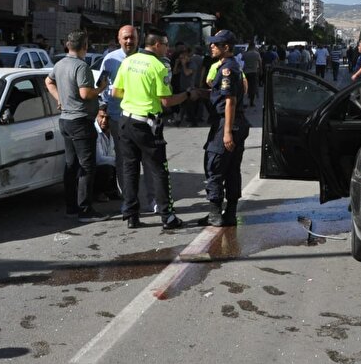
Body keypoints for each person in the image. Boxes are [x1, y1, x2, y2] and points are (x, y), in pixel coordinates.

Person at [111, 30, 203, 230]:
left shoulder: (128, 61)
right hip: (146, 124)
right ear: (157, 45)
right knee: (159, 170)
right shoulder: (158, 67)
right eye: (166, 45)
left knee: (130, 169)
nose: (169, 49)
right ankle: (167, 216)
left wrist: (135, 95)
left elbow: (116, 92)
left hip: (126, 120)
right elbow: (166, 101)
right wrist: (187, 94)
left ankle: (131, 215)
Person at [44, 31, 109, 222]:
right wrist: (101, 88)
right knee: (87, 166)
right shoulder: (82, 66)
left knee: (71, 165)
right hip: (80, 121)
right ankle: (85, 210)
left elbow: (48, 81)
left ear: (67, 45)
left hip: (65, 120)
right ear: (85, 46)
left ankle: (71, 207)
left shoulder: (60, 64)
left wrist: (61, 100)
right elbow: (85, 93)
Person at [199, 30, 249, 227]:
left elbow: (230, 101)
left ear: (226, 47)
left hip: (227, 123)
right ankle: (229, 213)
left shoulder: (227, 69)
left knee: (215, 167)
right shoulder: (229, 66)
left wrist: (227, 131)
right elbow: (222, 94)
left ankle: (215, 214)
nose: (211, 46)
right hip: (236, 122)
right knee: (232, 169)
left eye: (215, 44)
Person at [97, 25, 138, 201]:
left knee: (142, 158)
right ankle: (128, 197)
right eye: (125, 38)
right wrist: (102, 108)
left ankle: (150, 199)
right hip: (117, 116)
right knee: (123, 158)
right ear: (119, 39)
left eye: (132, 38)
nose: (129, 41)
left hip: (140, 116)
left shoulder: (144, 58)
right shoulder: (110, 59)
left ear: (138, 38)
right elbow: (102, 86)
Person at [242, 42, 262, 107]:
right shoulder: (256, 54)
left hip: (246, 72)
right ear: (254, 46)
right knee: (253, 87)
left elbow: (242, 59)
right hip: (254, 72)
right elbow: (260, 62)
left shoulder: (245, 54)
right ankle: (251, 102)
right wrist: (261, 70)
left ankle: (243, 102)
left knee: (245, 87)